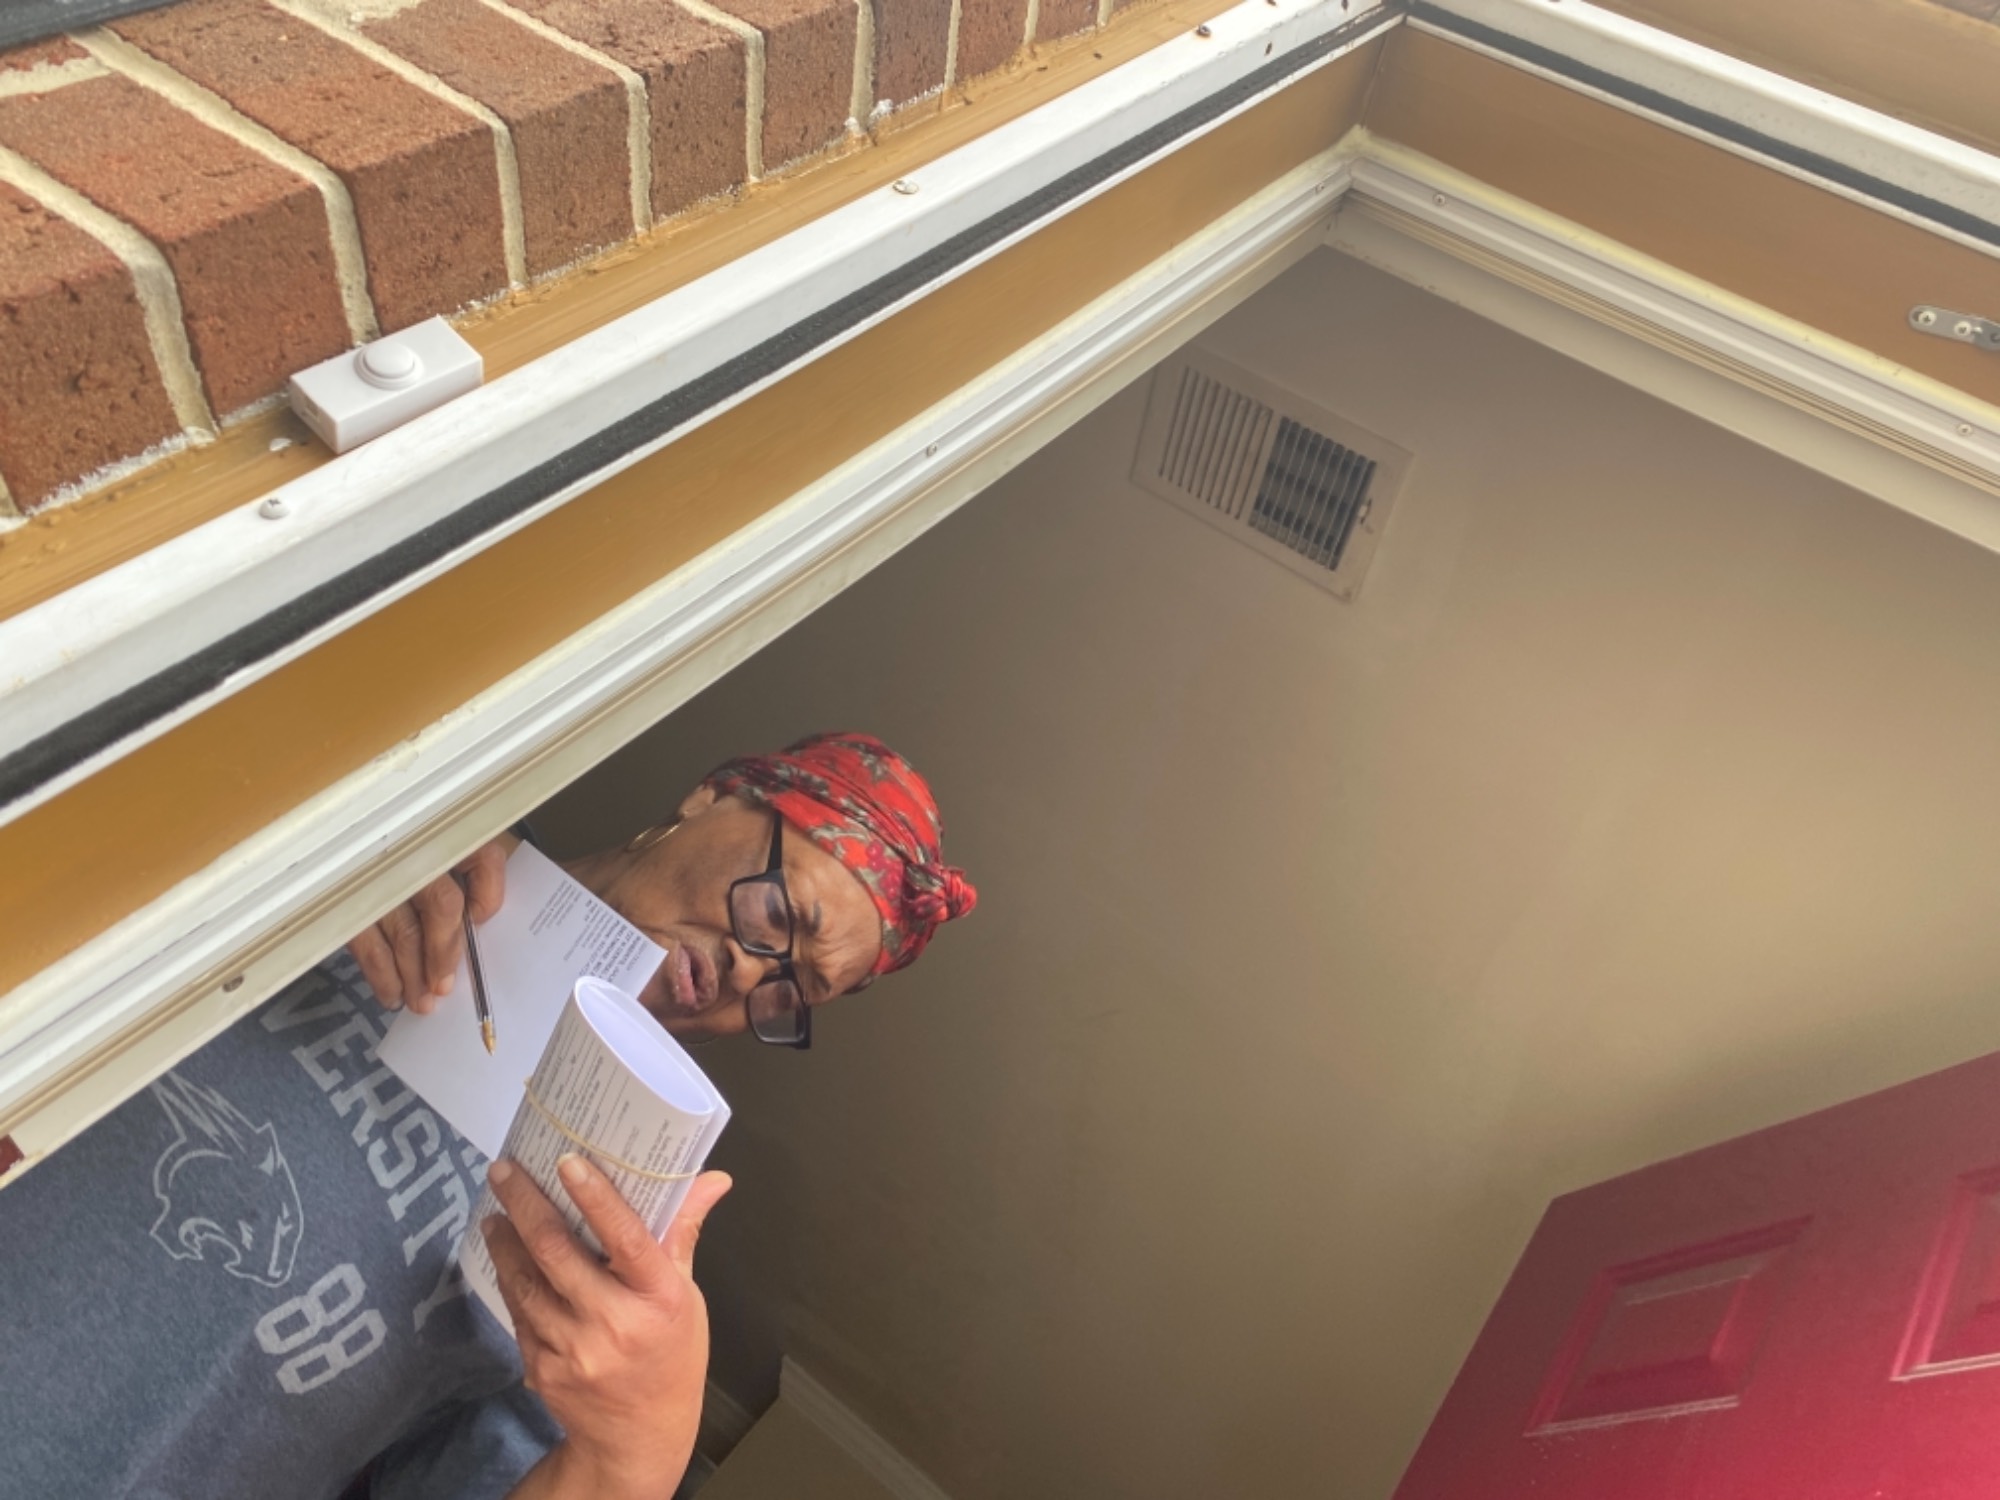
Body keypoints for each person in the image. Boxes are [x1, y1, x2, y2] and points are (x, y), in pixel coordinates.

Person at [0, 733, 975, 1500]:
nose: (754, 975)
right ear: (709, 801)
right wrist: (321, 841)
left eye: (792, 992)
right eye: (778, 916)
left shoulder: (606, 1241)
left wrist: (634, 1459)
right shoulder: (421, 824)